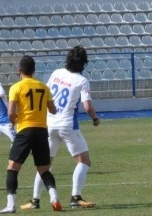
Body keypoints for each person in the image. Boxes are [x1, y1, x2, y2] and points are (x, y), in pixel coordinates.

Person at [21, 46, 100, 210]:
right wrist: (95, 119)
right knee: (84, 161)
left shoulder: (57, 73)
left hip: (49, 124)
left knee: (45, 165)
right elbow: (87, 106)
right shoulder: (81, 81)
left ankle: (35, 200)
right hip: (67, 125)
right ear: (84, 63)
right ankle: (75, 197)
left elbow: (46, 94)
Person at [0, 56, 62, 214]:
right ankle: (54, 198)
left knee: (12, 167)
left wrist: (13, 122)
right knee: (44, 169)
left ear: (19, 70)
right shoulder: (43, 87)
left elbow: (11, 112)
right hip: (41, 131)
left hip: (25, 130)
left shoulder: (16, 87)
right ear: (34, 70)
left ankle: (11, 205)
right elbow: (53, 110)